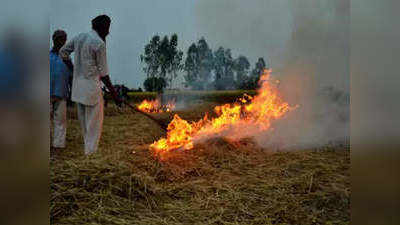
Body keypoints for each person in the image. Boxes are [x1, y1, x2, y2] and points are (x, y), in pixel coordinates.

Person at [60, 15, 121, 155]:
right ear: (102, 27)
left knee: (85, 127)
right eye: (108, 28)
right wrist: (115, 95)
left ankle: (88, 154)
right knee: (94, 127)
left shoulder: (80, 37)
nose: (109, 32)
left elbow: (63, 52)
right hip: (91, 91)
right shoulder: (99, 43)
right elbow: (104, 74)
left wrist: (73, 69)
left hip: (77, 89)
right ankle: (91, 157)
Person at [50, 30, 73, 150]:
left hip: (62, 94)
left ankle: (58, 146)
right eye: (58, 39)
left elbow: (72, 76)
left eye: (63, 39)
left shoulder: (67, 60)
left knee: (60, 122)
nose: (60, 41)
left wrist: (72, 94)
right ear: (53, 40)